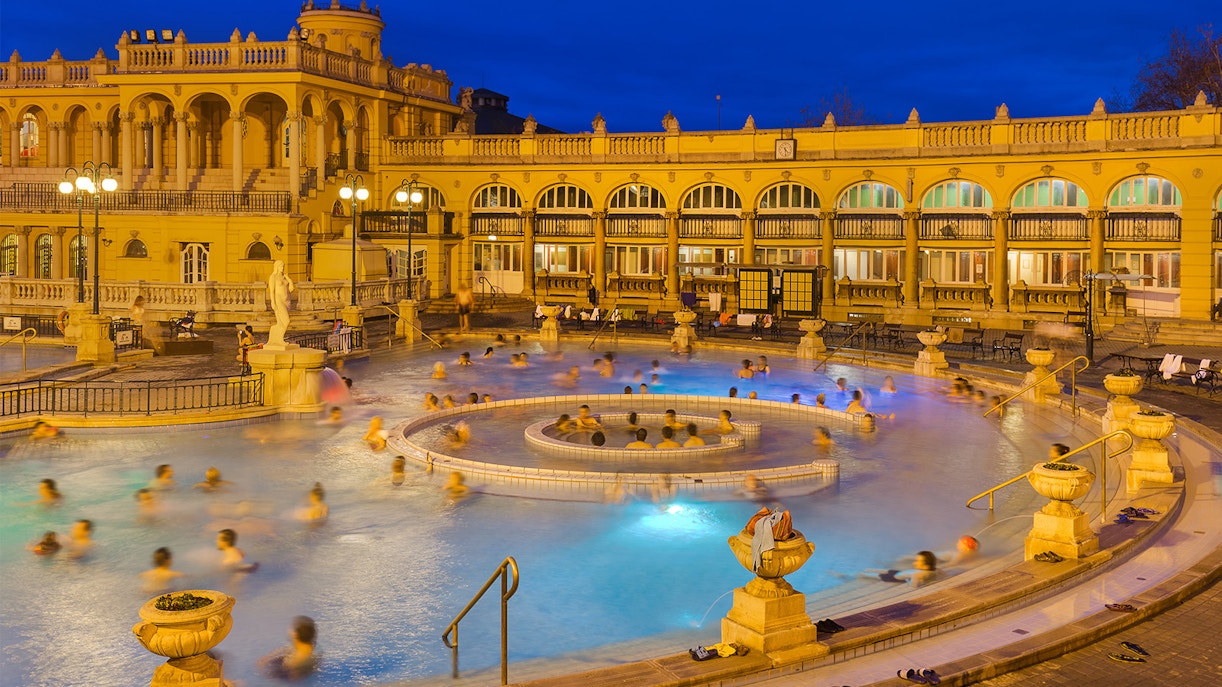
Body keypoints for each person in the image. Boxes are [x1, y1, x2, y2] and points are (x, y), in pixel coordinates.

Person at [258, 616, 318, 681]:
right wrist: (267, 657)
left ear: (295, 634)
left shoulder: (294, 661)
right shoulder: (309, 646)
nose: (290, 630)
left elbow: (294, 678)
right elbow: (287, 649)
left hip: (293, 673)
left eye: (293, 629)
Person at [863, 551, 939, 588]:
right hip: (899, 572)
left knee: (876, 575)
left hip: (894, 577)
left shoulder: (917, 574)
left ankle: (864, 574)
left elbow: (913, 587)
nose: (914, 563)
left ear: (926, 564)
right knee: (883, 570)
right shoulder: (930, 570)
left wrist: (907, 580)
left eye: (917, 561)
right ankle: (868, 570)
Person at [267, 260, 295, 347]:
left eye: (283, 266)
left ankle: (274, 337)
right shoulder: (273, 277)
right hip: (278, 300)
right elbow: (272, 291)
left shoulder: (283, 277)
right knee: (286, 321)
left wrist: (289, 279)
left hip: (286, 301)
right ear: (277, 267)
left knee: (280, 323)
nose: (282, 268)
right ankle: (280, 339)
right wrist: (273, 302)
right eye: (281, 266)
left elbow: (291, 289)